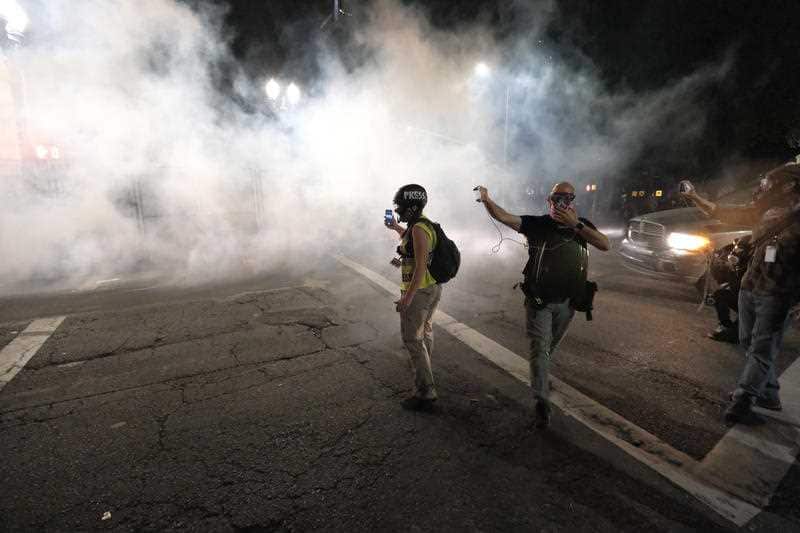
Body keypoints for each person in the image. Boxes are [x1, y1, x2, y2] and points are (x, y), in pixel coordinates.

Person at [476, 182, 610, 428]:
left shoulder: (582, 225)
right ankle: (541, 400)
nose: (563, 202)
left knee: (548, 349)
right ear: (549, 200)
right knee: (540, 348)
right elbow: (504, 216)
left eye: (568, 197)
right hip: (540, 302)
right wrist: (486, 199)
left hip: (569, 302)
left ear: (573, 201)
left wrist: (575, 225)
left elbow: (605, 244)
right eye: (558, 197)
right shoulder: (538, 224)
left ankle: (540, 376)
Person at [682, 163, 800, 425]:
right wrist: (695, 198)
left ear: (790, 186)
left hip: (778, 294)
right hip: (750, 288)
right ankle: (768, 395)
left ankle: (743, 401)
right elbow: (725, 213)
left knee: (761, 348)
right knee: (748, 342)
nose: (764, 189)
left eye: (770, 184)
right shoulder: (766, 212)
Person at [385, 184, 442, 411]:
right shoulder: (420, 225)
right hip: (431, 289)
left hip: (420, 291)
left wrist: (407, 298)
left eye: (400, 207)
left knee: (412, 339)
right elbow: (409, 242)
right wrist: (395, 228)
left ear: (412, 208)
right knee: (425, 332)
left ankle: (426, 393)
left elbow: (419, 268)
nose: (397, 210)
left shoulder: (419, 229)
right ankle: (426, 370)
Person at [707, 236, 751, 343]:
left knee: (738, 334)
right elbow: (722, 280)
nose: (735, 252)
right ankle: (726, 324)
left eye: (740, 249)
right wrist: (716, 265)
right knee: (720, 294)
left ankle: (736, 333)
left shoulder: (751, 268)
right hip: (741, 298)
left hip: (753, 301)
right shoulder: (736, 267)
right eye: (736, 249)